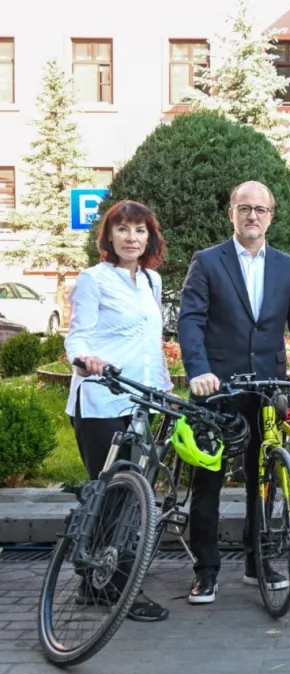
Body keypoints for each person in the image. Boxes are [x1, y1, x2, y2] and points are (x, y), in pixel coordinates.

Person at [177, 180, 290, 605]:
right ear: (231, 213)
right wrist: (198, 370)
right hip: (216, 390)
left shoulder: (286, 266)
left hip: (266, 390)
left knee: (264, 481)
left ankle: (257, 562)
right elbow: (190, 319)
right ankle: (206, 572)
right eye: (244, 208)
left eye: (260, 210)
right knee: (208, 481)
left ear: (271, 217)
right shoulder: (208, 261)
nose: (252, 216)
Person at [65, 200, 172, 622]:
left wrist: (164, 391)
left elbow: (150, 345)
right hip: (101, 400)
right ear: (109, 236)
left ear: (150, 237)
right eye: (123, 229)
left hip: (141, 401)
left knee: (132, 496)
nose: (132, 238)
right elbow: (78, 334)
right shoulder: (93, 280)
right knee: (110, 492)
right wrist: (84, 360)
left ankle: (96, 580)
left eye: (140, 230)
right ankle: (114, 585)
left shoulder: (151, 280)